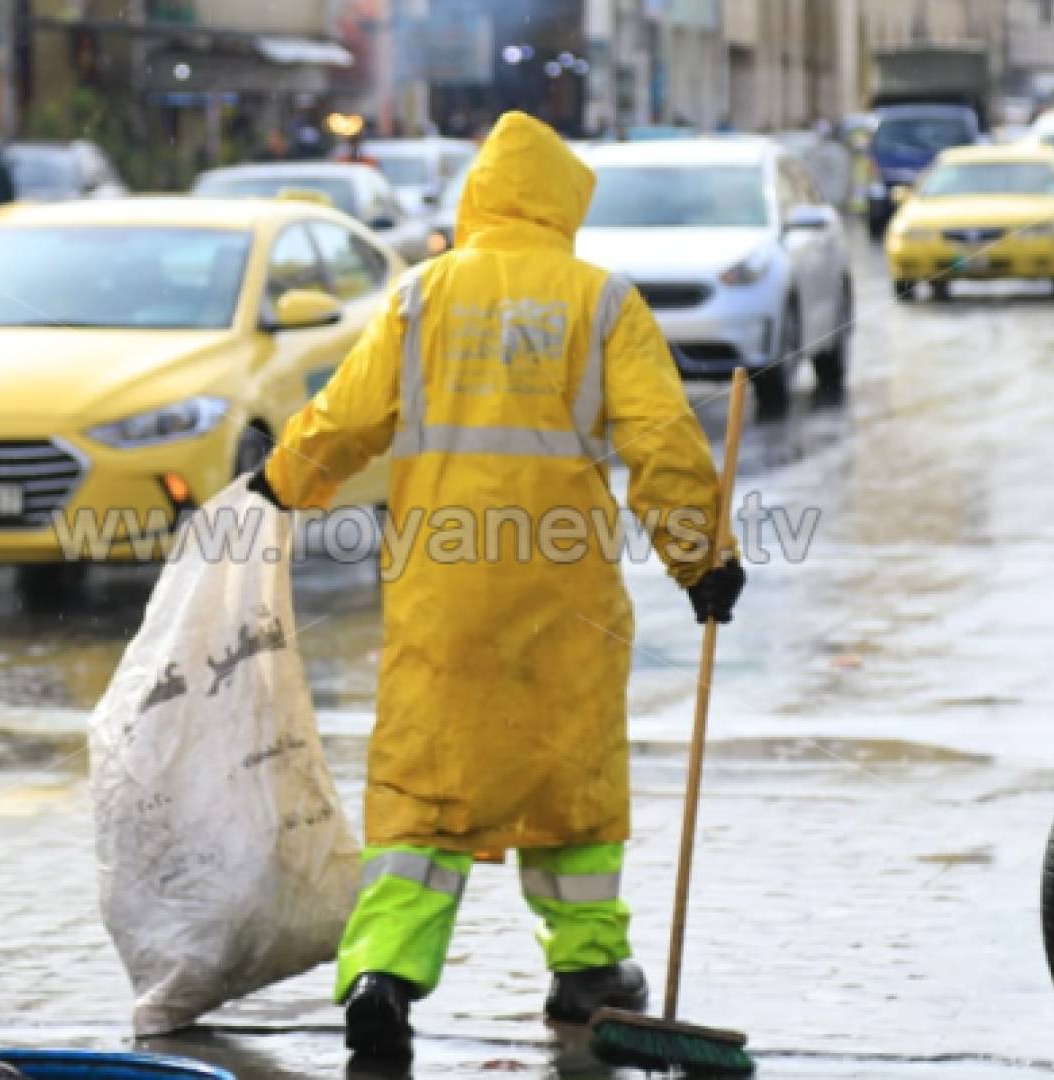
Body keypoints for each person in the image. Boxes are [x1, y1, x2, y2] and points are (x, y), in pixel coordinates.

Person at [246, 111, 746, 1061]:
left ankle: (383, 972)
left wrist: (281, 482)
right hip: (565, 594)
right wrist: (703, 558)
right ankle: (589, 970)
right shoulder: (601, 301)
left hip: (441, 590)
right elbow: (662, 442)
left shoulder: (422, 294)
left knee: (423, 785)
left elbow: (346, 416)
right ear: (562, 203)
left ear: (479, 193)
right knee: (569, 775)